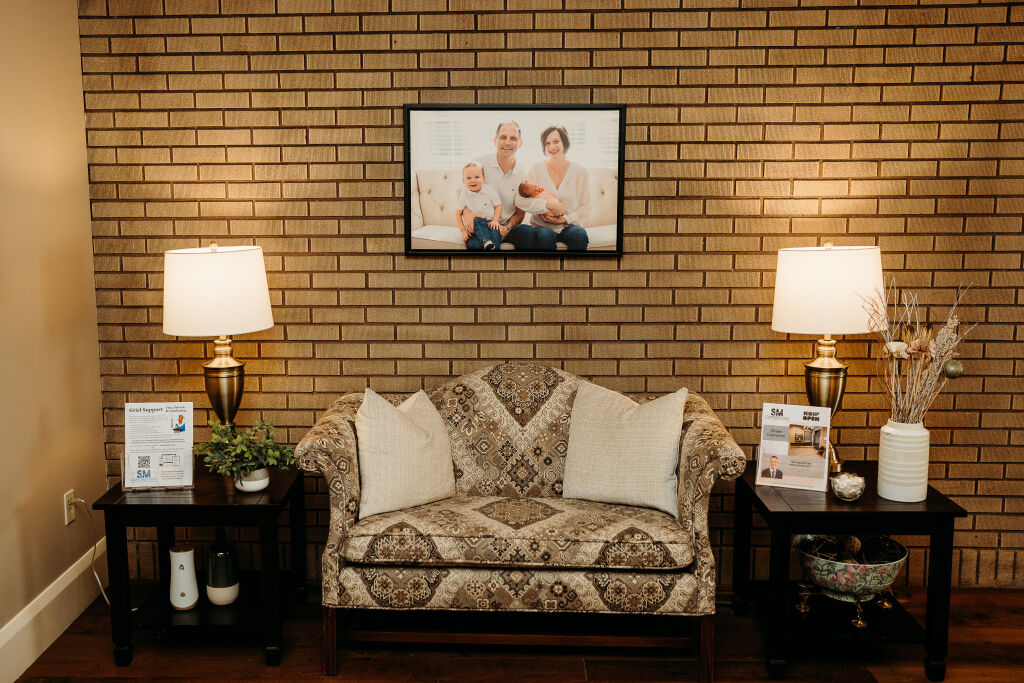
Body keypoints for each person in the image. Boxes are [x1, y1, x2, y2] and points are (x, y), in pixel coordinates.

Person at [475, 122, 565, 251]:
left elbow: (520, 211)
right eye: (503, 137)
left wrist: (507, 228)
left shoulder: (522, 172)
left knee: (531, 233)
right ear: (495, 141)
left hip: (509, 227)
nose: (507, 142)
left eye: (513, 138)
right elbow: (466, 198)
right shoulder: (479, 164)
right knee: (477, 245)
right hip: (484, 226)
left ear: (520, 143)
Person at [525, 125, 590, 251]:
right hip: (542, 226)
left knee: (580, 235)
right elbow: (527, 201)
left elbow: (586, 207)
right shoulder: (536, 169)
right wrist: (546, 207)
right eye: (547, 143)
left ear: (564, 143)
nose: (552, 147)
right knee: (545, 235)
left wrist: (564, 219)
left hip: (568, 226)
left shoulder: (580, 171)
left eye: (556, 141)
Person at [454, 161, 502, 251]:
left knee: (495, 238)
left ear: (483, 179)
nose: (473, 180)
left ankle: (490, 247)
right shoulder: (464, 193)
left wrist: (495, 220)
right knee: (473, 244)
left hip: (489, 224)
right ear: (463, 181)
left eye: (477, 177)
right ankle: (486, 242)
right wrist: (463, 231)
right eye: (468, 178)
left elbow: (498, 206)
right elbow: (457, 214)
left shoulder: (489, 190)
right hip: (473, 228)